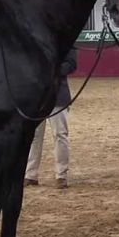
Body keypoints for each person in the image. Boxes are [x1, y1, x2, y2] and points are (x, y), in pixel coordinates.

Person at [24, 48, 78, 190]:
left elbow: (71, 64)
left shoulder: (67, 40)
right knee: (34, 136)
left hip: (58, 96)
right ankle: (30, 174)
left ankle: (61, 175)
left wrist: (50, 68)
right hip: (38, 97)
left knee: (60, 135)